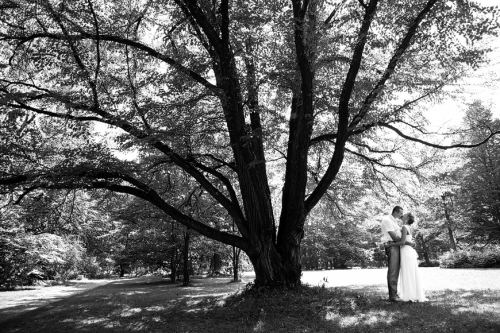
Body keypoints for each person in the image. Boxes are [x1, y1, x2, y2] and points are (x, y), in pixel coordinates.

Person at [385, 213, 427, 302]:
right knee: (410, 273)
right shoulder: (408, 227)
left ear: (407, 218)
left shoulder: (404, 227)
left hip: (406, 251)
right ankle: (413, 294)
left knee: (408, 273)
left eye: (404, 215)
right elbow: (407, 240)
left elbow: (403, 241)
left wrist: (391, 244)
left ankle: (409, 295)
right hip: (408, 251)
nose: (402, 215)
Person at [380, 206, 406, 301]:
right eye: (400, 213)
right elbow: (394, 237)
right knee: (393, 270)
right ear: (395, 212)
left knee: (396, 270)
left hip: (396, 245)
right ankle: (392, 296)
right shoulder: (387, 220)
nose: (401, 215)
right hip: (391, 245)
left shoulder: (394, 221)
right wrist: (405, 241)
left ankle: (394, 293)